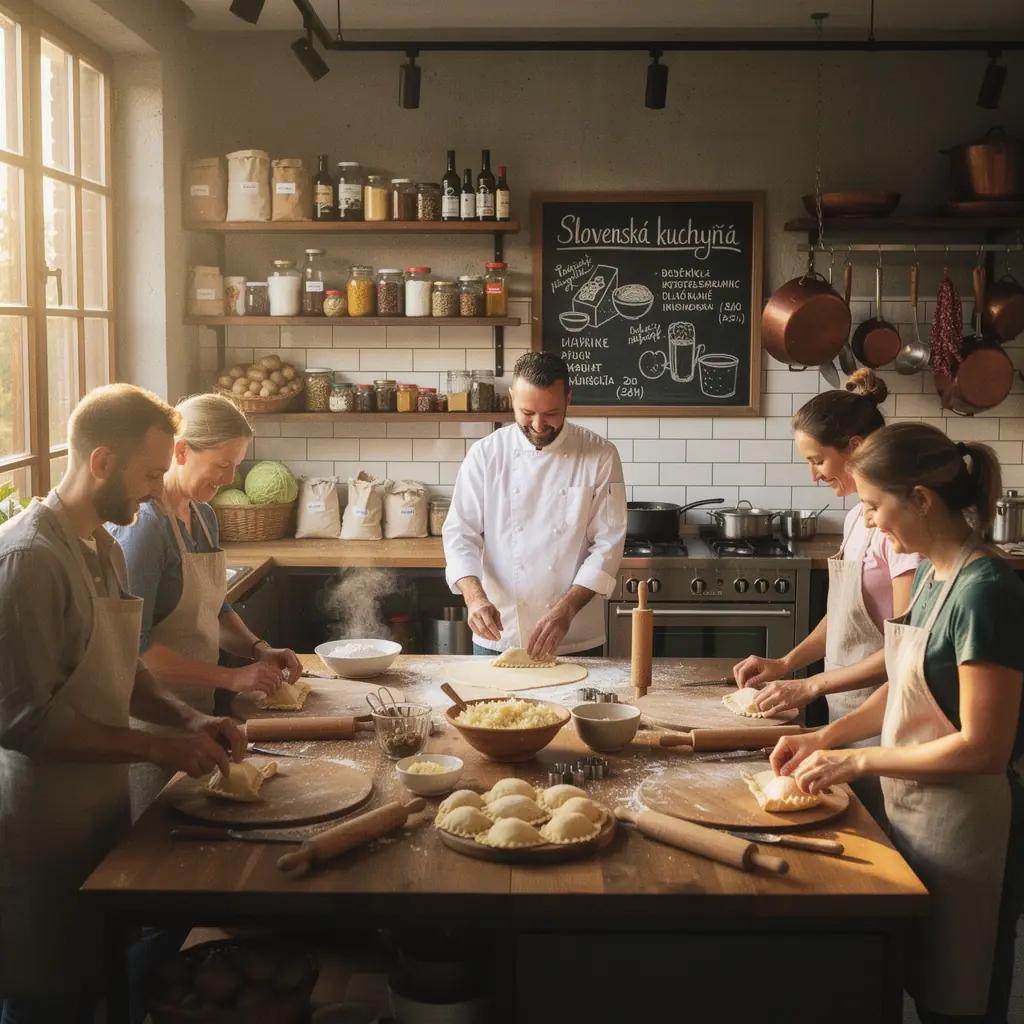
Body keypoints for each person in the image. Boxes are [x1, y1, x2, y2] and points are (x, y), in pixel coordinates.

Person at [0, 384, 246, 1024]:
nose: (156, 487)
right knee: (46, 993)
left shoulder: (102, 545)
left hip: (98, 804)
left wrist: (195, 720)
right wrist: (158, 747)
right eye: (149, 472)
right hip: (42, 821)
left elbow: (124, 668)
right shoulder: (28, 557)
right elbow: (27, 721)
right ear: (102, 462)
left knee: (101, 978)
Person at [772, 423, 1024, 1024]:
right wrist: (825, 735)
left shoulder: (985, 590)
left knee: (960, 1001)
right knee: (921, 984)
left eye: (874, 505)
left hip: (971, 828)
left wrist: (858, 759)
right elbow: (907, 683)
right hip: (920, 816)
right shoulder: (939, 577)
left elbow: (982, 748)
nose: (872, 522)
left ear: (920, 499)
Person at [732, 370, 919, 820]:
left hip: (886, 717)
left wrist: (810, 684)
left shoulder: (898, 533)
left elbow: (906, 649)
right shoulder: (859, 519)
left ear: (855, 448)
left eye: (817, 460)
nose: (814, 474)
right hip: (844, 715)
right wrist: (786, 663)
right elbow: (843, 614)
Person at [109, 393, 300, 815]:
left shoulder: (205, 516)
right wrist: (231, 679)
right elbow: (134, 652)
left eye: (236, 465)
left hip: (201, 721)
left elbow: (215, 607)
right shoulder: (145, 530)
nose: (230, 478)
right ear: (181, 451)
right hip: (154, 731)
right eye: (222, 464)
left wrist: (257, 649)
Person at [443, 351, 627, 659]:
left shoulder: (600, 455)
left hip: (574, 635)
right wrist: (474, 598)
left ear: (569, 398)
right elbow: (461, 534)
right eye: (527, 413)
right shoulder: (486, 454)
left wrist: (565, 611)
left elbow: (608, 544)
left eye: (551, 413)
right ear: (512, 397)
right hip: (500, 632)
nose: (539, 425)